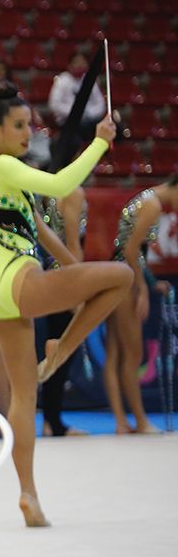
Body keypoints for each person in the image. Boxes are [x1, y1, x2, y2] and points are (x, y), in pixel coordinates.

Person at [0, 85, 131, 527]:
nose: (29, 133)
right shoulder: (3, 165)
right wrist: (101, 140)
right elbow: (63, 184)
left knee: (25, 396)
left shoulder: (5, 178)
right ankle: (61, 349)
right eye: (19, 126)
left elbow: (44, 232)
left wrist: (75, 275)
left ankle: (28, 494)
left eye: (30, 125)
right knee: (123, 276)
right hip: (21, 279)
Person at [103, 178, 178, 434]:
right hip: (125, 279)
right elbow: (131, 249)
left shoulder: (148, 198)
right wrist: (143, 288)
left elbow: (132, 250)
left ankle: (122, 422)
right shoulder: (152, 204)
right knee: (132, 354)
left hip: (119, 274)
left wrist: (151, 282)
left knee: (115, 354)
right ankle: (140, 420)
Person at [35, 183, 90, 437]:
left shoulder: (50, 189)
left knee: (55, 347)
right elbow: (72, 243)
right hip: (66, 278)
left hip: (51, 276)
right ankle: (53, 422)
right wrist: (78, 287)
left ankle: (50, 420)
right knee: (62, 348)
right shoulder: (72, 191)